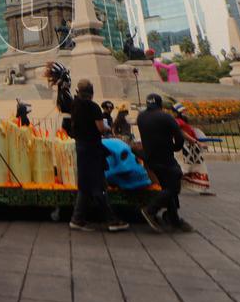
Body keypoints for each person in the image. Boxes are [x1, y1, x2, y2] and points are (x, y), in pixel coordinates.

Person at [68, 79, 128, 232]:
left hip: (80, 146)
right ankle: (111, 220)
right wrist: (108, 129)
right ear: (91, 92)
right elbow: (101, 128)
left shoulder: (75, 105)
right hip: (92, 148)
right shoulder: (93, 107)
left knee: (85, 185)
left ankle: (77, 219)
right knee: (97, 185)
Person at [137, 95, 192, 233]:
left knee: (167, 187)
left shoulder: (141, 117)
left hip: (150, 157)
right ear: (160, 104)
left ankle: (174, 220)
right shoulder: (166, 117)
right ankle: (150, 210)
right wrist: (175, 147)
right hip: (165, 157)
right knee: (174, 187)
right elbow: (179, 137)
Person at [172, 103, 214, 196]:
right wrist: (197, 142)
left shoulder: (182, 121)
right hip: (186, 148)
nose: (185, 112)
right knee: (184, 168)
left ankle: (202, 188)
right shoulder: (178, 121)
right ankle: (170, 186)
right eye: (183, 111)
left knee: (199, 167)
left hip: (192, 148)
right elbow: (183, 133)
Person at [45, 62, 73, 135]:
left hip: (65, 121)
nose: (69, 82)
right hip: (69, 123)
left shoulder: (62, 92)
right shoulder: (63, 93)